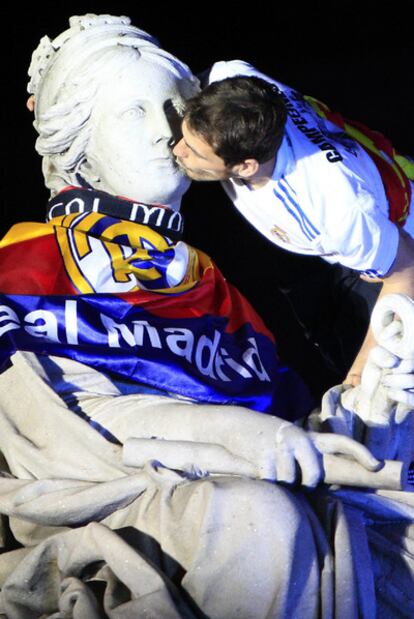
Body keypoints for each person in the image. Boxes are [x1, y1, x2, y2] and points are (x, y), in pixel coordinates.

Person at [0, 14, 395, 618]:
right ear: (73, 140)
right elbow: (47, 425)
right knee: (254, 520)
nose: (167, 131)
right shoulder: (23, 260)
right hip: (125, 493)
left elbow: (294, 429)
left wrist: (367, 407)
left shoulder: (212, 282)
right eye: (135, 112)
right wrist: (234, 436)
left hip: (238, 483)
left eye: (173, 107)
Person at [172, 60, 414, 386]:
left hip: (389, 249)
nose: (177, 150)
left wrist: (357, 379)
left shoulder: (336, 211)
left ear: (245, 166)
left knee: (364, 365)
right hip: (357, 200)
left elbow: (404, 271)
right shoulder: (233, 77)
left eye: (196, 153)